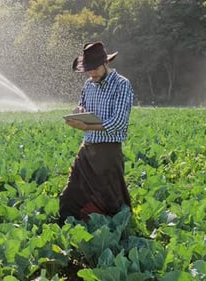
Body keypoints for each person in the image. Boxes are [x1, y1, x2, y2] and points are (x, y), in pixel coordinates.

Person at [58, 41, 134, 225]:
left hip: (108, 152)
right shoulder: (88, 85)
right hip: (87, 148)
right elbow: (82, 104)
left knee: (109, 199)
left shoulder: (121, 85)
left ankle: (116, 234)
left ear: (106, 63)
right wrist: (78, 111)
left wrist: (86, 127)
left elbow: (118, 122)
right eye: (88, 69)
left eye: (94, 68)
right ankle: (70, 227)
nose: (91, 73)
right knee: (70, 194)